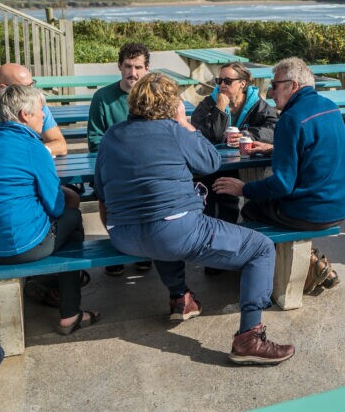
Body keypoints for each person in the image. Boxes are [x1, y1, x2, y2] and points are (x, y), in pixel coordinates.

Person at [95, 73, 294, 365]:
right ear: (171, 104)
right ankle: (249, 337)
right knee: (261, 248)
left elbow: (101, 190)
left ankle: (181, 297)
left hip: (123, 236)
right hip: (173, 231)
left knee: (162, 229)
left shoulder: (112, 135)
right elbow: (211, 163)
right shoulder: (174, 130)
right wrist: (186, 124)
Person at [0, 84, 97, 334]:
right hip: (25, 247)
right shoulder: (35, 148)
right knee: (73, 218)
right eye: (41, 110)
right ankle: (70, 313)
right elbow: (56, 206)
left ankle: (45, 285)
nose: (44, 115)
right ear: (25, 115)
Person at [213, 57, 345, 293]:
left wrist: (243, 189)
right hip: (341, 205)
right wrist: (276, 149)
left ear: (293, 86)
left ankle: (284, 273)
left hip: (311, 211)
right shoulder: (330, 106)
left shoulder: (291, 118)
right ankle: (312, 263)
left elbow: (282, 185)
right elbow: (316, 150)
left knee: (251, 209)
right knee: (266, 204)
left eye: (275, 85)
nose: (270, 92)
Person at [86, 42, 152, 276]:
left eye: (138, 67)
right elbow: (94, 138)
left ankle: (145, 248)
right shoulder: (102, 97)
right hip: (113, 165)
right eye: (128, 66)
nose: (133, 73)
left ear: (147, 69)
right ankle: (116, 243)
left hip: (146, 166)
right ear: (119, 66)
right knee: (106, 196)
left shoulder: (154, 97)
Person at [191, 62, 277, 226]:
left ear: (242, 84)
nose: (222, 85)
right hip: (217, 167)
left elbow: (274, 128)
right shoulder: (209, 103)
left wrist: (248, 135)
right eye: (219, 80)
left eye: (227, 81)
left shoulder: (257, 105)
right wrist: (220, 109)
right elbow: (210, 135)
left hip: (249, 165)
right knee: (217, 192)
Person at [0, 63, 67, 157]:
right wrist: (33, 153)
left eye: (32, 84)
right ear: (4, 89)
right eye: (26, 87)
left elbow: (61, 145)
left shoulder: (36, 104)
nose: (32, 91)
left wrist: (37, 152)